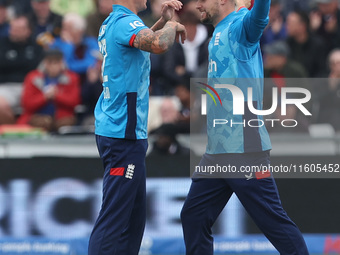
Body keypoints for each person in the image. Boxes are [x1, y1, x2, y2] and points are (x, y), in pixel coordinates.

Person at [180, 0, 309, 255]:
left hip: (244, 149)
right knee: (193, 216)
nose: (197, 5)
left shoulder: (240, 27)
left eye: (203, 0)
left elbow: (259, 17)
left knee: (274, 223)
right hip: (217, 152)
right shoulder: (220, 30)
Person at [87, 0, 186, 254]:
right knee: (115, 220)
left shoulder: (114, 22)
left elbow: (139, 44)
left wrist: (163, 22)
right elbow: (158, 44)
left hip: (122, 131)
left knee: (133, 220)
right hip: (123, 134)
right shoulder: (124, 23)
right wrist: (173, 26)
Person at [17, 49, 80, 132]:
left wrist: (56, 96)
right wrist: (45, 97)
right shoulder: (32, 78)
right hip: (37, 116)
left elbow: (74, 101)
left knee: (66, 123)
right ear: (44, 63)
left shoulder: (71, 78)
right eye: (50, 62)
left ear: (62, 63)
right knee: (43, 122)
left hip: (62, 118)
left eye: (56, 62)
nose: (53, 66)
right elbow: (27, 104)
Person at [0, 15, 43, 124]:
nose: (14, 32)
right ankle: (12, 129)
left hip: (32, 86)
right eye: (13, 28)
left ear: (28, 31)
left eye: (19, 29)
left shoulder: (37, 46)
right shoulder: (2, 45)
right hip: (7, 86)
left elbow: (41, 70)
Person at [50, 13, 99, 83]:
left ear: (80, 31)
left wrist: (69, 66)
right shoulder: (57, 43)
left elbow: (91, 64)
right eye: (63, 28)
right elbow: (59, 67)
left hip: (86, 83)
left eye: (68, 29)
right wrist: (68, 45)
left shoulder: (91, 43)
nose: (63, 32)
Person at [286, 10, 327, 77]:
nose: (287, 26)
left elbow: (322, 71)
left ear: (302, 25)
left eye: (290, 23)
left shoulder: (318, 45)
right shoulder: (287, 45)